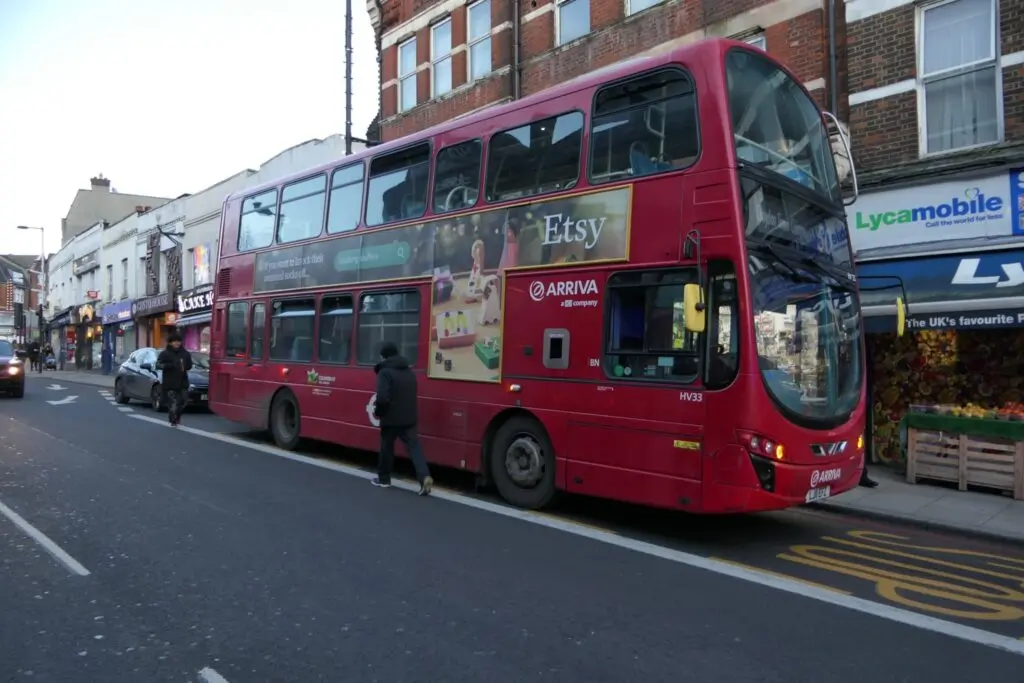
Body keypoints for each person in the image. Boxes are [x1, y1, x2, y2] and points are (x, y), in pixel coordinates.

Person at [371, 341, 433, 495]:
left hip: (391, 418)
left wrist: (378, 412)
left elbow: (383, 398)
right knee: (414, 448)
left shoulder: (385, 372)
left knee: (387, 447)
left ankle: (384, 479)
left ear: (384, 356)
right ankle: (424, 476)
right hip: (409, 418)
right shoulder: (409, 372)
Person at [156, 332, 193, 427]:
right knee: (174, 401)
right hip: (170, 382)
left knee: (184, 401)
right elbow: (158, 365)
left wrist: (186, 366)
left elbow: (189, 365)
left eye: (179, 341)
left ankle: (177, 415)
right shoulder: (165, 354)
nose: (177, 343)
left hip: (183, 381)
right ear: (170, 343)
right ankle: (173, 418)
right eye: (175, 342)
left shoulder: (185, 353)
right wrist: (169, 365)